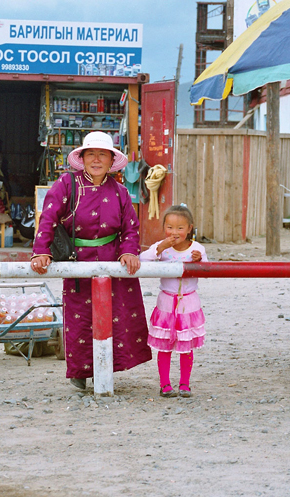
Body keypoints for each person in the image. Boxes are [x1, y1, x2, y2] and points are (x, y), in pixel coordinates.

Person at [31, 131, 152, 389]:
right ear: (82, 158)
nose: (96, 160)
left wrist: (129, 251)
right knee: (80, 317)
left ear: (111, 161)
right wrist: (41, 251)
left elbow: (130, 228)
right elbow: (48, 218)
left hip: (112, 262)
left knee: (115, 316)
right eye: (91, 154)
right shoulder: (66, 184)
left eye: (102, 155)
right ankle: (79, 371)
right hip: (78, 261)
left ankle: (107, 368)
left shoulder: (119, 192)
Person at [139, 205, 208, 398]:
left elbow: (209, 267)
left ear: (189, 228)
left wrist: (199, 260)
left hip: (189, 303)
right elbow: (142, 260)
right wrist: (160, 247)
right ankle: (165, 384)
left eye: (180, 228)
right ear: (164, 228)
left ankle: (185, 383)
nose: (174, 232)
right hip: (166, 303)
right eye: (169, 227)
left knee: (186, 346)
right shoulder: (162, 249)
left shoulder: (197, 249)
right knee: (164, 346)